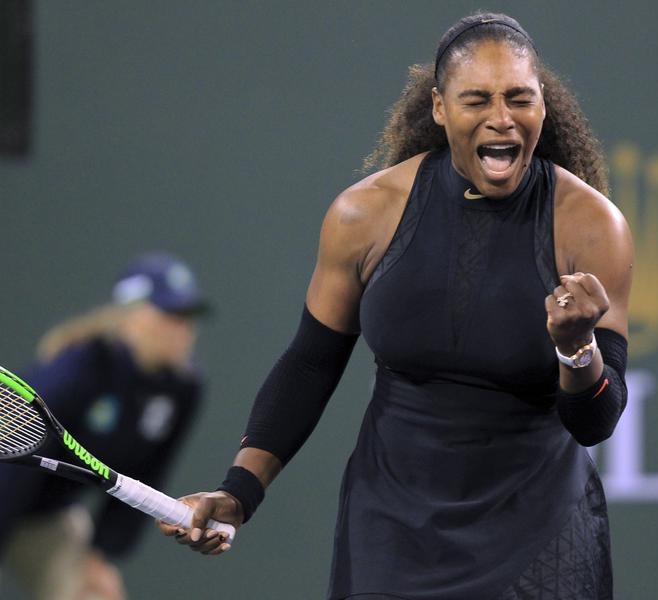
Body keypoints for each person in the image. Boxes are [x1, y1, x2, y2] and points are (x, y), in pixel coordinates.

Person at [162, 12, 633, 600]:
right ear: (439, 108)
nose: (502, 117)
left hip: (539, 540)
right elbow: (310, 362)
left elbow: (595, 421)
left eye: (520, 98)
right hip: (391, 536)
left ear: (543, 104)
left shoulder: (592, 226)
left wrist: (576, 348)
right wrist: (239, 491)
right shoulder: (364, 215)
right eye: (476, 100)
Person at [0, 252, 210, 600]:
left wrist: (100, 553)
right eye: (170, 315)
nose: (183, 330)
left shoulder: (183, 389)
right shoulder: (78, 368)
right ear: (132, 316)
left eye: (188, 317)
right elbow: (12, 468)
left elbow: (148, 474)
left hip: (49, 517)